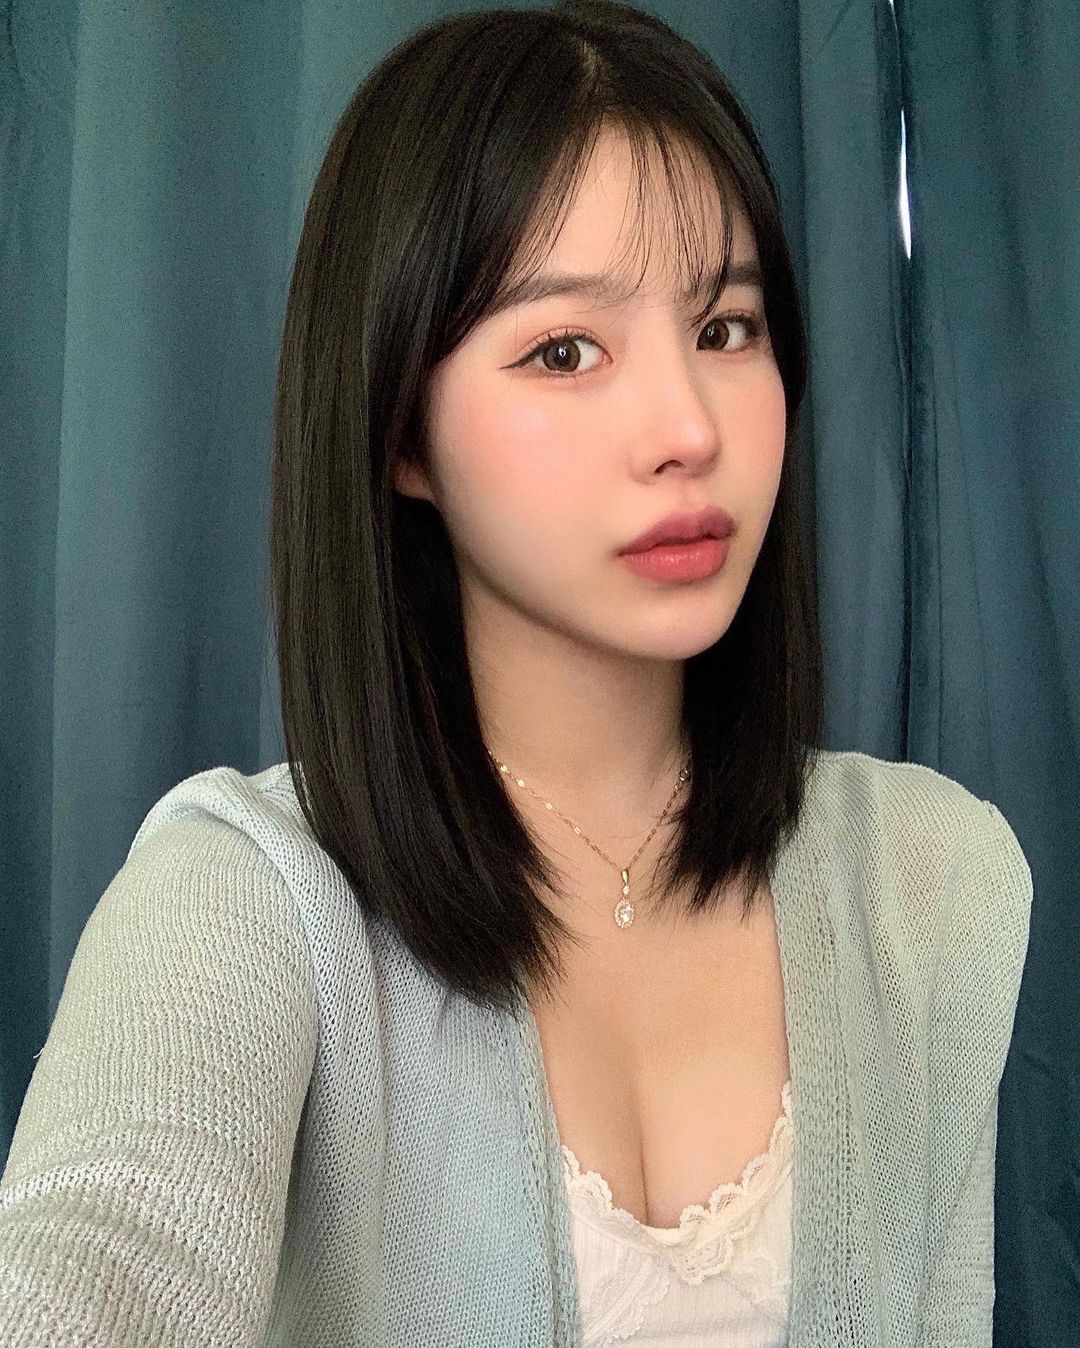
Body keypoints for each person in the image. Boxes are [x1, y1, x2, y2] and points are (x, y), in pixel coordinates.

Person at [0, 2, 1032, 1344]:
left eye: (727, 328)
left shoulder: (933, 881)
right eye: (564, 351)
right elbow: (101, 1252)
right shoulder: (248, 900)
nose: (686, 429)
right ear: (401, 434)